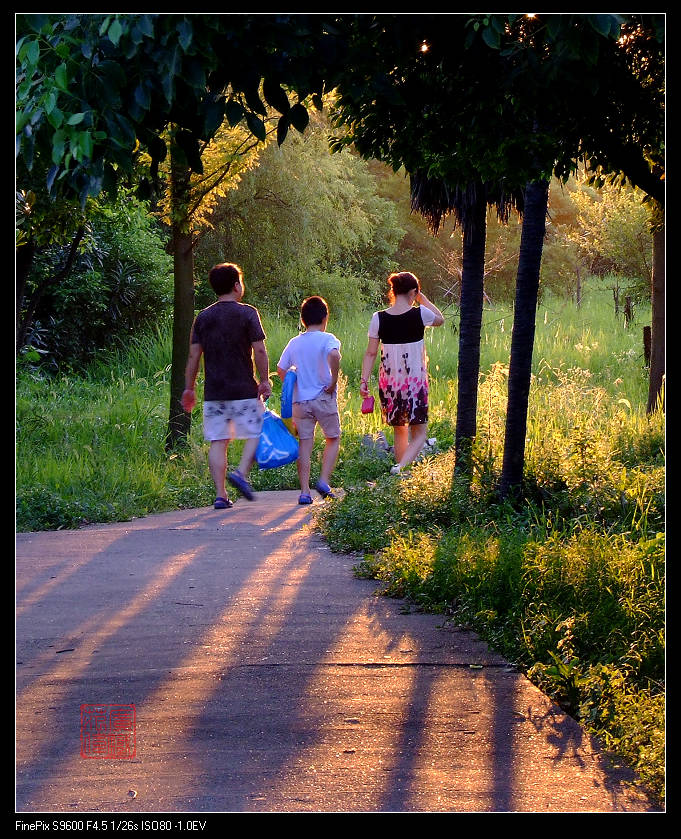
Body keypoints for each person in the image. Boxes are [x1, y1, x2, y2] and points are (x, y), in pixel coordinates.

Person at [181, 263, 272, 509]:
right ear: (236, 285)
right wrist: (264, 380)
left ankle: (221, 495)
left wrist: (189, 388)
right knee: (256, 431)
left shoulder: (203, 317)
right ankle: (241, 473)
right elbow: (260, 350)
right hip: (244, 389)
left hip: (215, 392)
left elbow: (193, 357)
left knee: (218, 441)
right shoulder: (248, 313)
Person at [359, 271, 444, 474]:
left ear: (393, 291)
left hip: (390, 384)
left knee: (400, 430)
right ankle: (400, 467)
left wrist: (364, 380)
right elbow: (440, 319)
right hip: (415, 382)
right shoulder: (420, 313)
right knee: (420, 433)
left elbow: (371, 353)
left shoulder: (377, 318)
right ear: (413, 292)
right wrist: (423, 299)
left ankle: (401, 474)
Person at [277, 295, 342, 505]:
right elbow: (335, 356)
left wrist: (293, 382)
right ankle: (323, 480)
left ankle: (304, 492)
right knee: (333, 437)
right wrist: (333, 380)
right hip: (323, 397)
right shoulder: (328, 339)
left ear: (303, 320)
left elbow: (281, 368)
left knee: (305, 444)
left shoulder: (295, 342)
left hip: (300, 402)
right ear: (325, 318)